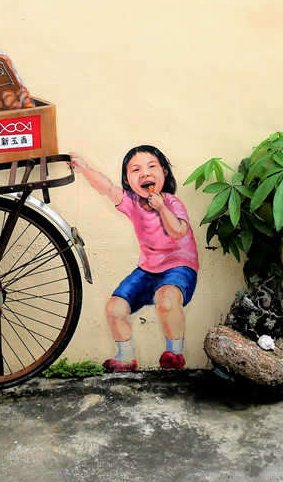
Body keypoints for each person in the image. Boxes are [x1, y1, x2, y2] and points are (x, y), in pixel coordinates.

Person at [70, 146, 198, 371]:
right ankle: (126, 357)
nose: (145, 174)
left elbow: (178, 231)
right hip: (147, 270)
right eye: (136, 169)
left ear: (164, 172)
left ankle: (174, 353)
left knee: (166, 300)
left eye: (151, 167)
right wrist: (85, 169)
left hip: (179, 267)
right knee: (114, 309)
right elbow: (108, 189)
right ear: (128, 181)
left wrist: (161, 209)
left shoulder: (172, 203)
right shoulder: (131, 202)